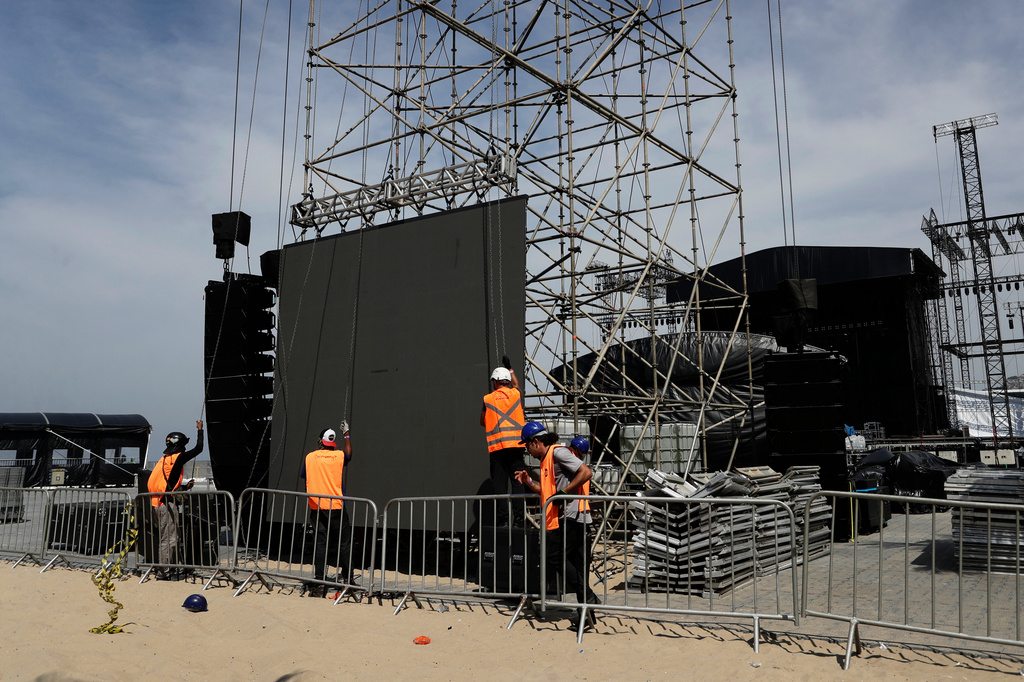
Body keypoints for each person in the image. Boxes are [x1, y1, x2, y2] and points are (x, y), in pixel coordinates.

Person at [514, 422, 600, 606]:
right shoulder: (546, 460)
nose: (527, 451)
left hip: (572, 517)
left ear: (536, 442)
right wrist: (528, 481)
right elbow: (546, 493)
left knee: (554, 556)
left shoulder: (558, 452)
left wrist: (564, 493)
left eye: (527, 446)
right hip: (567, 517)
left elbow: (586, 472)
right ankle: (587, 611)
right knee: (577, 566)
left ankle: (588, 596)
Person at [300, 424, 353, 597]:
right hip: (337, 506)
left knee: (320, 544)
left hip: (317, 507)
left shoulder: (310, 457)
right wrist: (346, 434)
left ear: (320, 441)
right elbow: (349, 454)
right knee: (344, 544)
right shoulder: (338, 456)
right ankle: (348, 581)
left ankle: (320, 583)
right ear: (332, 442)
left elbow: (305, 477)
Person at [147, 420, 204, 579]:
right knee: (169, 540)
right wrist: (200, 430)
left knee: (172, 537)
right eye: (183, 445)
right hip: (165, 505)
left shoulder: (164, 460)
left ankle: (177, 569)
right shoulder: (177, 458)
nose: (185, 448)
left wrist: (184, 487)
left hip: (155, 503)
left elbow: (167, 484)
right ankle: (164, 573)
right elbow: (199, 449)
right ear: (179, 446)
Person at [481, 365, 528, 526]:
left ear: (495, 382)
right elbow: (517, 385)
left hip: (497, 448)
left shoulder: (487, 399)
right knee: (518, 482)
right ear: (507, 380)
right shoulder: (516, 394)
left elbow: (482, 421)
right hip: (516, 447)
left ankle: (502, 521)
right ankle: (519, 519)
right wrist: (511, 369)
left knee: (500, 485)